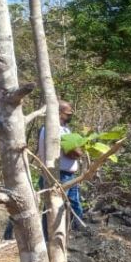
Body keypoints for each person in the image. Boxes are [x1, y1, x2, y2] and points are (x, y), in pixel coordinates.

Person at [38, 100, 85, 236]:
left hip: (65, 174)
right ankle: (54, 239)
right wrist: (81, 150)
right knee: (55, 209)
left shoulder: (61, 128)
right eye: (67, 113)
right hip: (59, 175)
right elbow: (73, 152)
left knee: (69, 206)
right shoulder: (53, 129)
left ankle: (74, 237)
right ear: (58, 113)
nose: (70, 116)